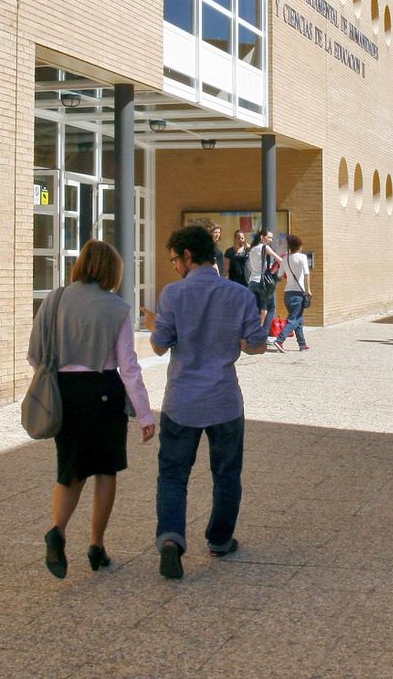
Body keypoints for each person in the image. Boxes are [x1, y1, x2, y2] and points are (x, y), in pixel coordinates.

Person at [31, 240, 155, 580]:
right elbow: (129, 367)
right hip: (103, 392)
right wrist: (144, 414)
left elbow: (35, 353)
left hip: (64, 393)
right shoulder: (116, 309)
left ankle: (57, 529)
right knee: (105, 471)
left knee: (70, 469)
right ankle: (96, 545)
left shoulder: (55, 299)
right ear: (112, 270)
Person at [152, 224, 268, 579]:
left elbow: (159, 345)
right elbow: (256, 345)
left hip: (182, 401)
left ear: (188, 256)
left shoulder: (172, 295)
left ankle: (171, 540)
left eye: (174, 259)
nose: (173, 267)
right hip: (223, 400)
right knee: (227, 474)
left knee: (173, 475)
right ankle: (220, 539)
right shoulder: (239, 295)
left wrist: (154, 325)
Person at [273, 234, 312, 352]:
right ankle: (280, 340)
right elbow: (306, 274)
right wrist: (308, 290)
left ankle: (302, 344)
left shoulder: (285, 258)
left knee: (298, 319)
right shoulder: (302, 257)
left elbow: (279, 275)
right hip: (298, 293)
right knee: (293, 319)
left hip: (287, 293)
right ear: (299, 246)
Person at [246, 231, 283, 333]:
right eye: (269, 237)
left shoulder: (252, 249)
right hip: (263, 283)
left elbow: (250, 266)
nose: (271, 240)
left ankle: (252, 332)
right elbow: (280, 260)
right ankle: (263, 334)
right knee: (271, 308)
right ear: (262, 237)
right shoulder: (264, 247)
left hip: (252, 281)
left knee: (256, 309)